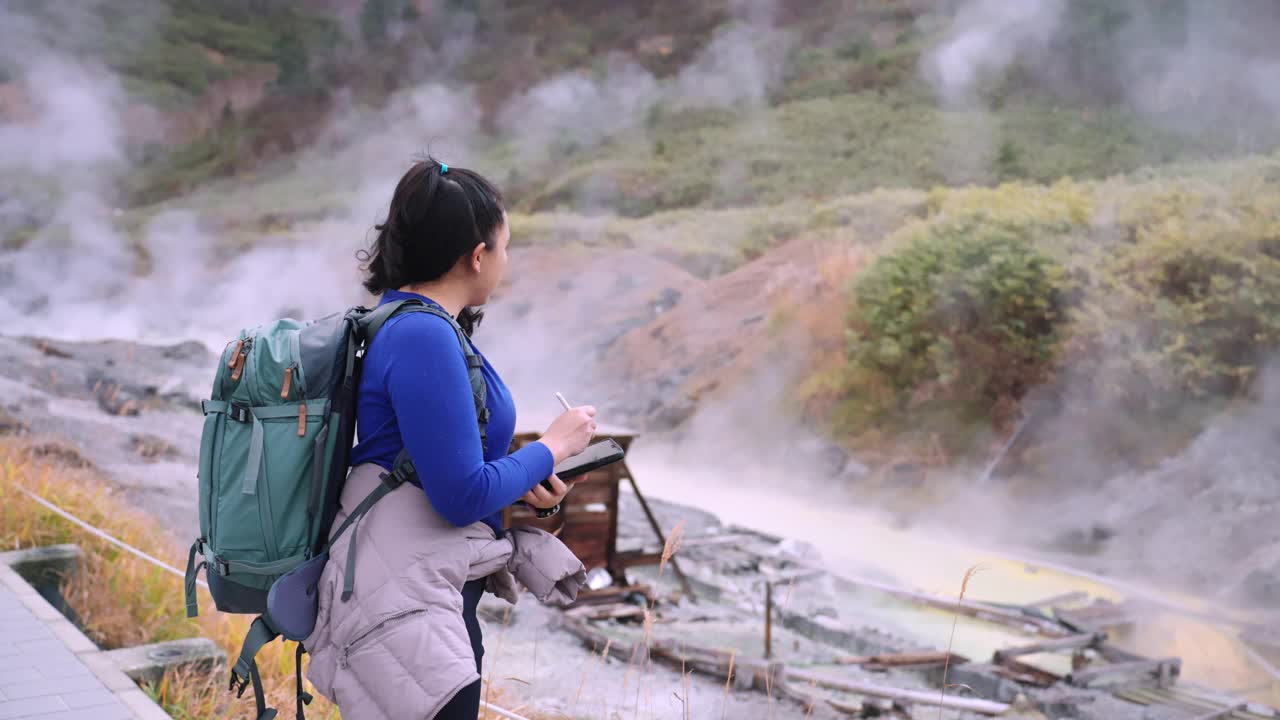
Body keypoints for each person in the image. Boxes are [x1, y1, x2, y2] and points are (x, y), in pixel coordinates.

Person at [303, 157, 597, 719]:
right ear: (477, 255)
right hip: (407, 603)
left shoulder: (409, 321)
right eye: (505, 247)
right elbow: (458, 493)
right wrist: (553, 447)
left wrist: (532, 481)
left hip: (413, 587)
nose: (506, 262)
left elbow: (434, 466)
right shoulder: (422, 334)